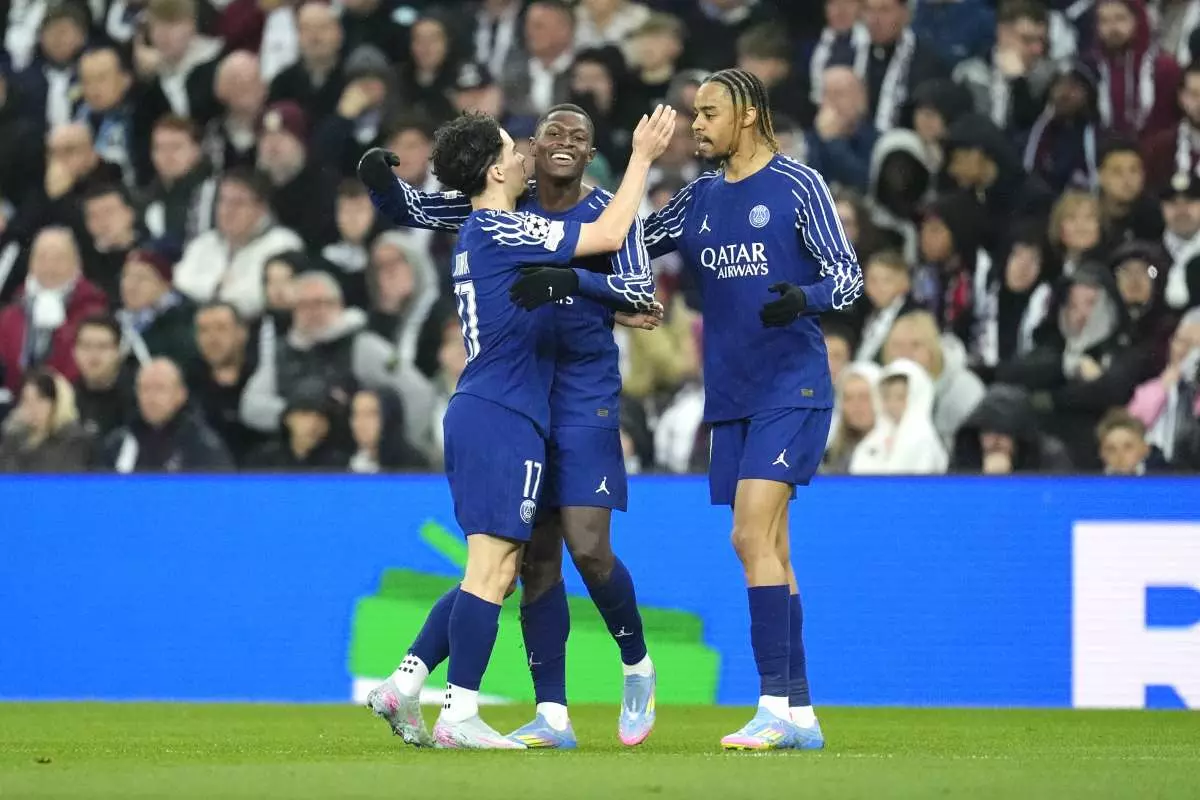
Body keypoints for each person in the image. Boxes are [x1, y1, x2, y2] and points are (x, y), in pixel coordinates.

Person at [359, 106, 675, 749]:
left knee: (558, 552)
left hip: (562, 394)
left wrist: (574, 286)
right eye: (539, 137)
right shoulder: (505, 217)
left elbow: (637, 288)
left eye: (578, 135)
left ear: (591, 152)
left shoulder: (513, 218)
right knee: (512, 565)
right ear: (513, 158)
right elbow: (424, 209)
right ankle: (516, 714)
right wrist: (385, 189)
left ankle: (631, 665)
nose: (552, 146)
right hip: (512, 405)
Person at [642, 68, 864, 750]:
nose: (696, 125)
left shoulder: (799, 185)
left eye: (708, 113)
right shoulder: (700, 196)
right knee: (773, 549)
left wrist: (805, 298)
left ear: (746, 113)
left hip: (791, 388)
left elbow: (848, 277)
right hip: (731, 395)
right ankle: (800, 714)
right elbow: (633, 239)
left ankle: (770, 706)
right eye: (694, 114)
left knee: (747, 538)